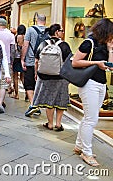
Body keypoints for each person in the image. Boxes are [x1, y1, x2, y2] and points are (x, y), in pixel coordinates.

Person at [72, 18, 113, 167]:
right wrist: (96, 63)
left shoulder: (104, 45)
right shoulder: (88, 43)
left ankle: (79, 145)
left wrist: (110, 50)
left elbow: (110, 67)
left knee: (89, 117)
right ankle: (87, 153)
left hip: (101, 84)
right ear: (105, 31)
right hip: (89, 83)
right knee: (92, 119)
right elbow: (75, 62)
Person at [32, 24, 72, 131]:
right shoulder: (64, 45)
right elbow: (69, 62)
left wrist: (36, 73)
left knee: (49, 101)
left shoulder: (43, 44)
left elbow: (36, 61)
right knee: (60, 100)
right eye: (61, 31)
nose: (63, 33)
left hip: (45, 77)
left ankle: (50, 123)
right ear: (56, 32)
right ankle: (58, 124)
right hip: (61, 77)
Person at [21, 13, 47, 117]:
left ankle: (33, 104)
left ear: (36, 20)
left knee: (29, 84)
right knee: (39, 84)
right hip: (44, 62)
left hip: (31, 61)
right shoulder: (48, 31)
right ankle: (37, 105)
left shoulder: (30, 30)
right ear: (45, 21)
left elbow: (25, 45)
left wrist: (22, 59)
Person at [0, 18, 15, 113]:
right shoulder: (10, 35)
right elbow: (12, 50)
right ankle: (0, 104)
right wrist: (11, 62)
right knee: (3, 84)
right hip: (6, 62)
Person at [12, 24, 26, 99]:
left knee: (15, 76)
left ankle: (16, 94)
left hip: (17, 58)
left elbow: (17, 47)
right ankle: (27, 93)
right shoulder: (26, 37)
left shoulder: (18, 37)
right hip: (24, 58)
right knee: (22, 77)